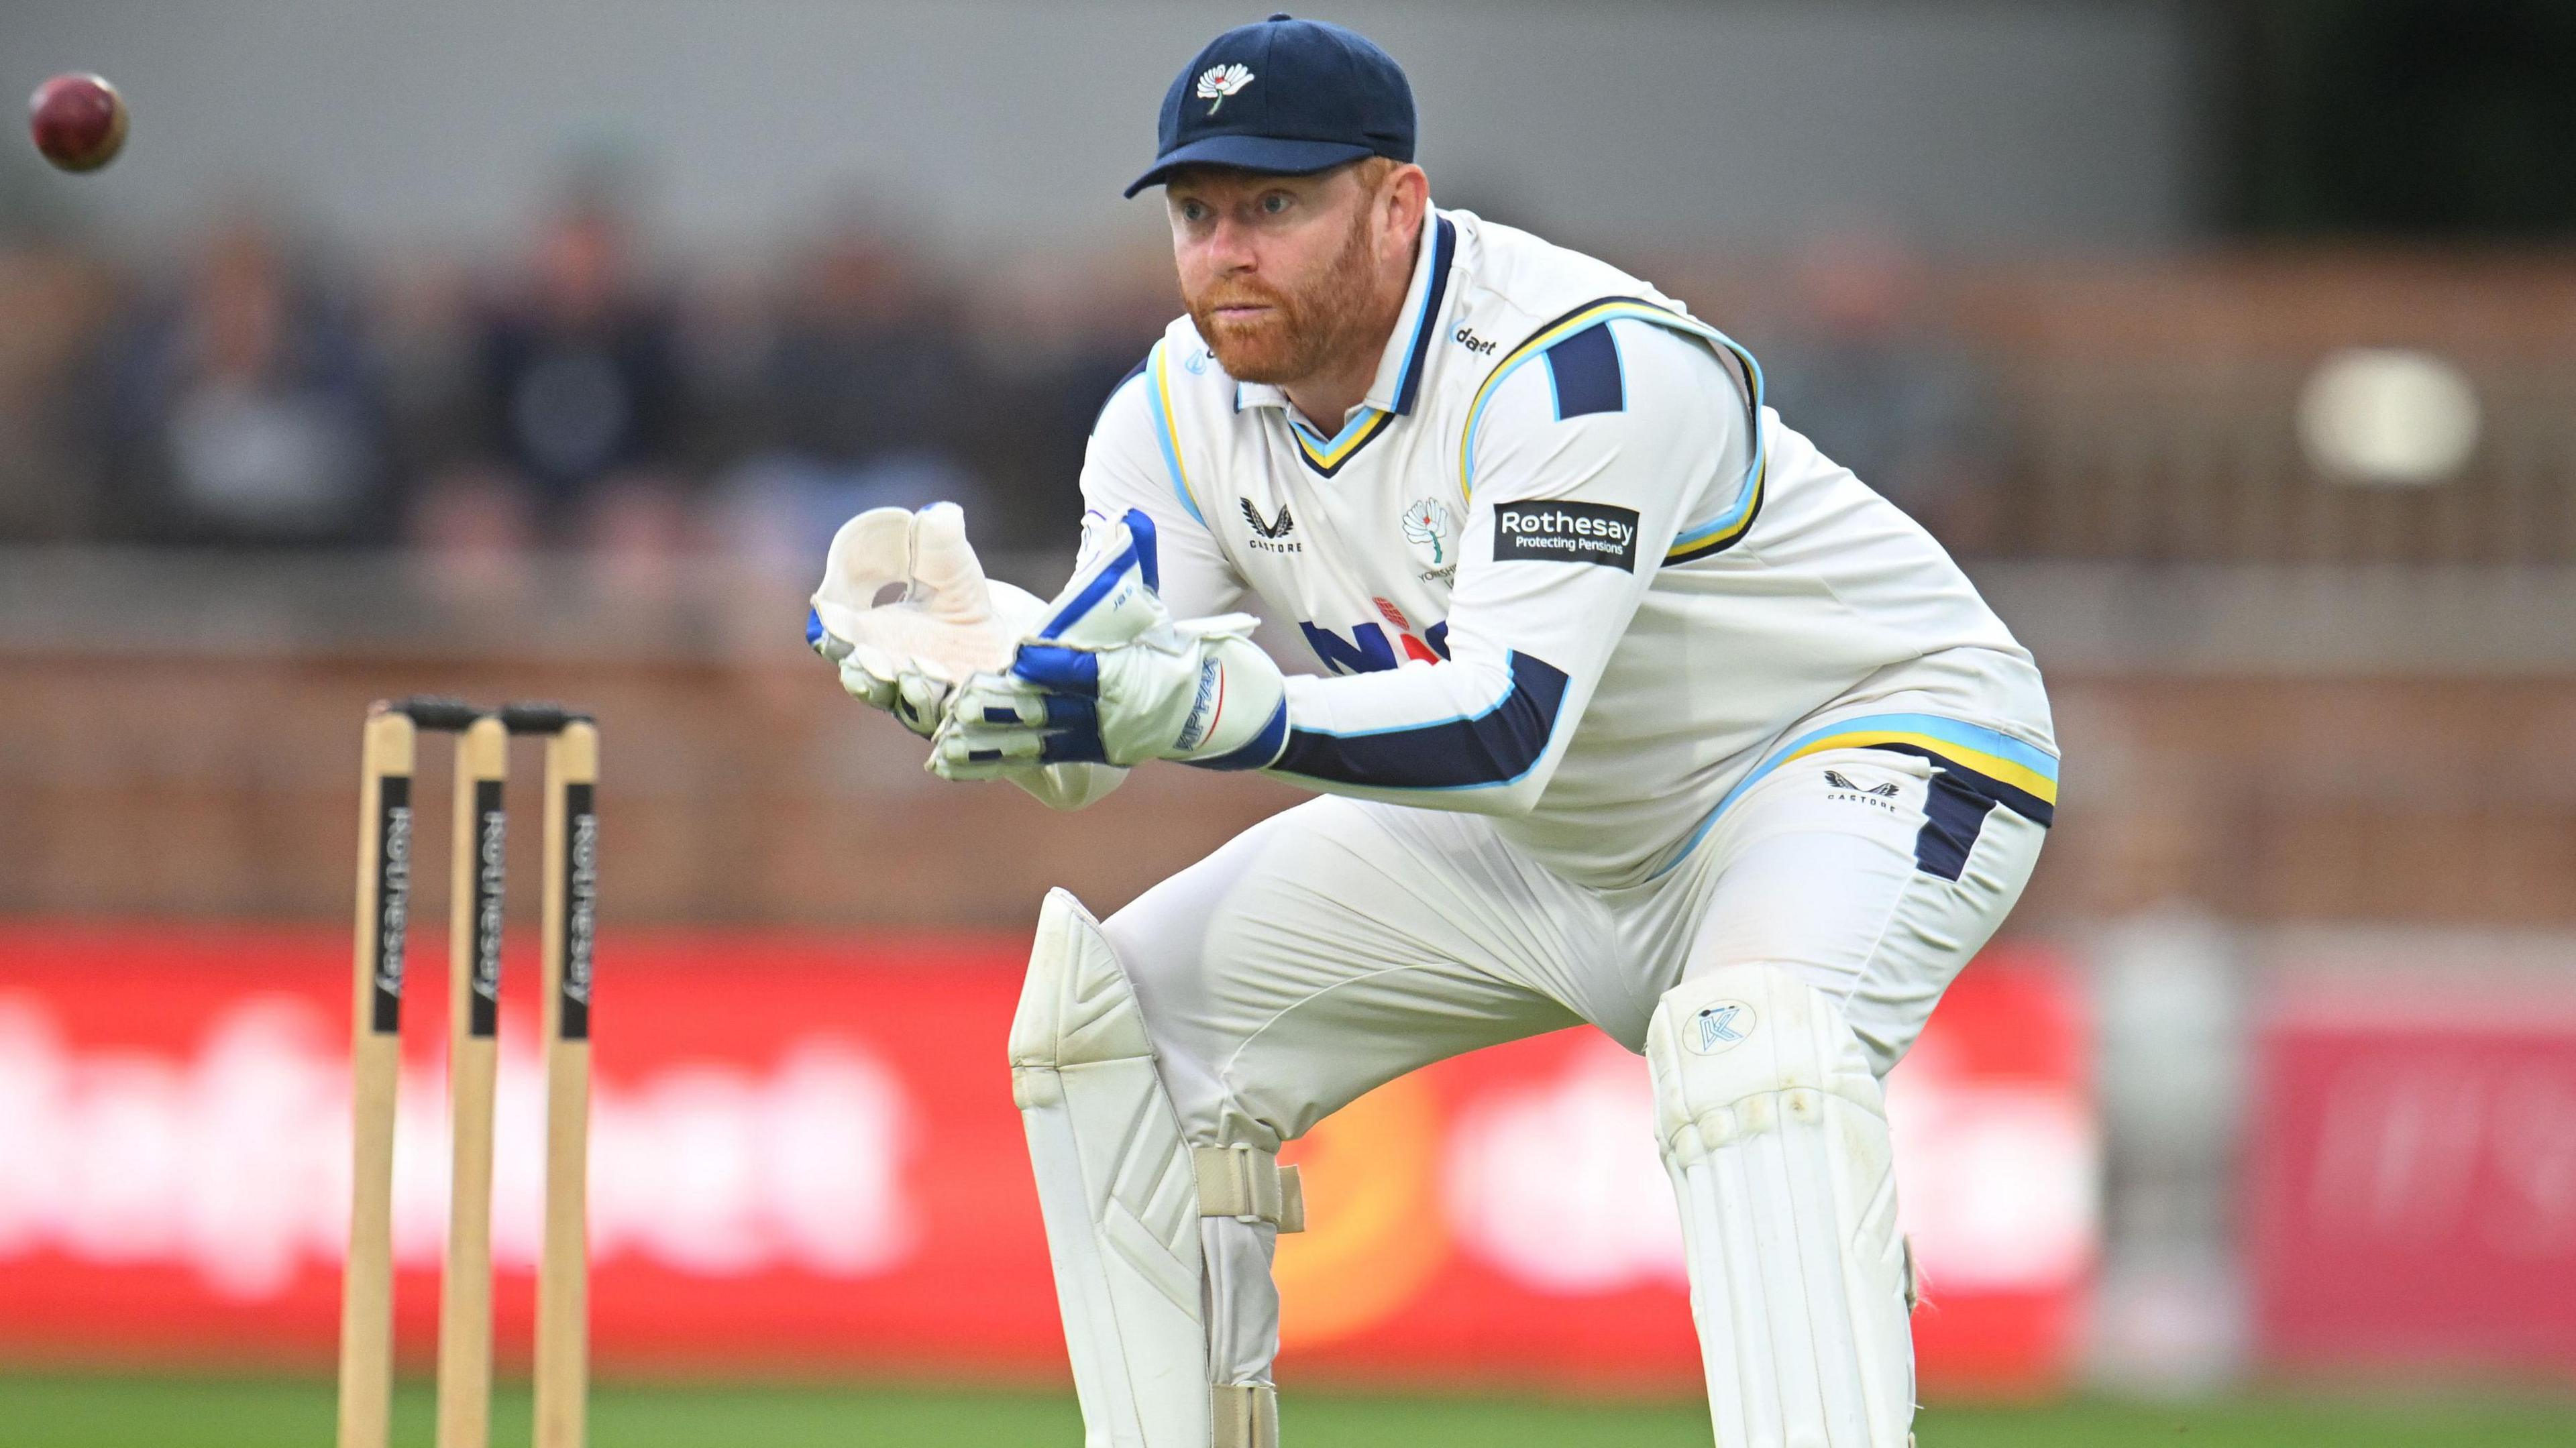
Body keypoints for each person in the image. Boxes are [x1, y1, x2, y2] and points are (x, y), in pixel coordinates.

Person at [808, 17, 2058, 1448]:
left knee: (1748, 1048)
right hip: (1551, 836)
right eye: (1199, 213)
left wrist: (1203, 704)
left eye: (1277, 206)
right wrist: (988, 681)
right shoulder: (1173, 408)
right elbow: (1098, 730)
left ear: (1397, 203)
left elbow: (1506, 724)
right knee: (1112, 1030)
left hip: (1844, 761)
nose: (1229, 251)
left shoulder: (1577, 371)